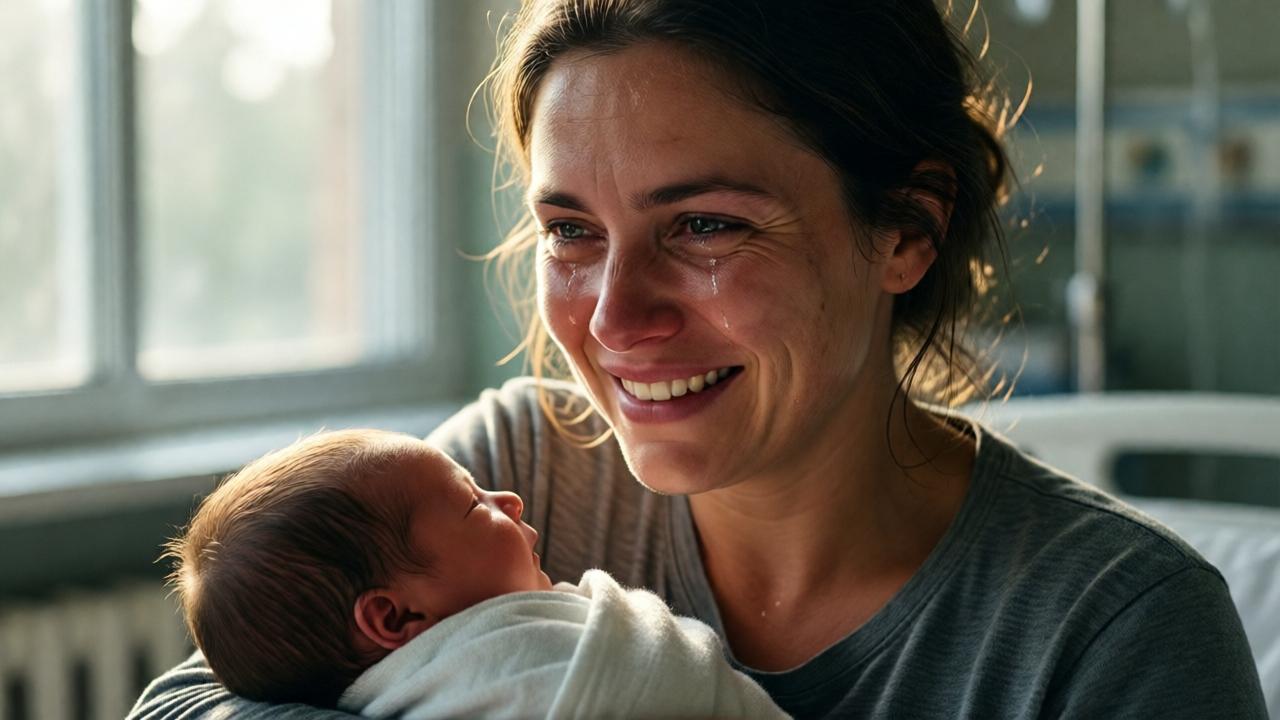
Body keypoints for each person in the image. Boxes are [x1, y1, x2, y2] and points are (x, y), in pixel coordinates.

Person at [130, 0, 1268, 718]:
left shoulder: (1106, 633)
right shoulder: (504, 476)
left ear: (906, 230)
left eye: (706, 226)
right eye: (572, 232)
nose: (615, 319)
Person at [164, 429, 786, 718]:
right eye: (472, 503)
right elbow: (174, 705)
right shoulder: (517, 672)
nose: (509, 498)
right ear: (394, 616)